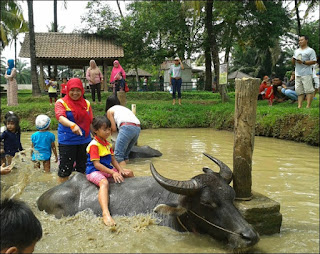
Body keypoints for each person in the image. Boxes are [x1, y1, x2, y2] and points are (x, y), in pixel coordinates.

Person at [86, 116, 134, 226]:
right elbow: (96, 164)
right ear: (96, 131)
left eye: (109, 129)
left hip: (106, 169)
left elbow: (113, 159)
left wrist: (120, 169)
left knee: (129, 172)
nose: (108, 132)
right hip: (94, 171)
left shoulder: (107, 144)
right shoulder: (94, 145)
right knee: (104, 182)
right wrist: (113, 172)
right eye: (104, 129)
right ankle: (105, 213)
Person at [55, 78, 93, 183]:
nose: (75, 93)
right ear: (67, 90)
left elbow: (90, 121)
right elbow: (60, 117)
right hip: (67, 141)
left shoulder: (87, 103)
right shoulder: (61, 102)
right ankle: (60, 194)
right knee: (65, 170)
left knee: (84, 169)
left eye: (78, 90)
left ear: (82, 90)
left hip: (85, 140)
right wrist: (72, 125)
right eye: (72, 90)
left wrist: (98, 137)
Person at [105, 95, 140, 168]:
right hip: (137, 127)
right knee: (125, 156)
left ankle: (124, 176)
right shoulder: (123, 108)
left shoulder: (110, 110)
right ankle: (129, 170)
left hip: (126, 127)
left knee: (118, 156)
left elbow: (113, 129)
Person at [292, 35, 317, 108]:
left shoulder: (310, 50)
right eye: (299, 40)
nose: (300, 41)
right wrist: (293, 59)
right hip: (297, 73)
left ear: (306, 40)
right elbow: (293, 63)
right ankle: (299, 106)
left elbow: (314, 61)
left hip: (307, 73)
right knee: (299, 91)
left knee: (308, 90)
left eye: (302, 40)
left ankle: (308, 106)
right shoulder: (296, 51)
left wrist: (303, 62)